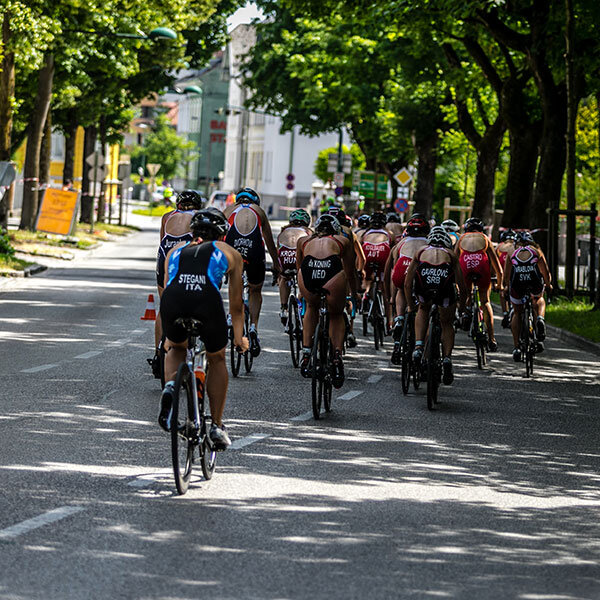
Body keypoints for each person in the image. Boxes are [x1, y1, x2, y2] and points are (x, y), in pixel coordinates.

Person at [158, 209, 249, 449]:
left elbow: (168, 288)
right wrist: (239, 338)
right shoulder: (229, 252)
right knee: (217, 357)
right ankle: (217, 426)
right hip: (206, 302)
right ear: (221, 233)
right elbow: (237, 305)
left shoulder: (174, 251)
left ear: (192, 231)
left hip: (173, 301)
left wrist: (168, 336)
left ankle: (170, 389)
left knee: (176, 348)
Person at [297, 214, 356, 388]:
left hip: (308, 272)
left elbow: (299, 267)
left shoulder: (303, 241)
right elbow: (350, 271)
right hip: (331, 272)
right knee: (336, 314)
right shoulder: (342, 240)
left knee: (311, 307)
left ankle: (306, 353)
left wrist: (302, 293)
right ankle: (337, 357)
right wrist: (353, 294)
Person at [404, 227, 467, 385]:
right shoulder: (451, 254)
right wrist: (462, 306)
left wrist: (411, 305)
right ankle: (446, 358)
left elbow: (407, 282)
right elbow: (461, 284)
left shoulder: (420, 251)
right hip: (444, 286)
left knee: (423, 309)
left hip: (424, 282)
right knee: (446, 323)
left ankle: (418, 347)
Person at [223, 187, 281, 357]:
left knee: (235, 283)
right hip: (255, 250)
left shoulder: (228, 210)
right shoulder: (259, 211)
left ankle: (230, 317)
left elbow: (218, 236)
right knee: (255, 289)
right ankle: (254, 327)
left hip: (232, 248)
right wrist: (276, 265)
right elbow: (269, 241)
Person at [150, 190, 203, 377]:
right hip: (185, 255)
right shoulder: (199, 217)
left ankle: (158, 353)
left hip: (165, 254)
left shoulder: (166, 217)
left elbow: (161, 242)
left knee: (164, 306)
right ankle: (187, 346)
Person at [384, 214, 430, 363]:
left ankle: (399, 317)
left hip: (402, 267)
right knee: (424, 306)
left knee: (401, 290)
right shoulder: (429, 242)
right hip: (421, 271)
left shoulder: (401, 243)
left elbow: (392, 270)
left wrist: (390, 297)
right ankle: (421, 344)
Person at [502, 231, 552, 361]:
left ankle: (517, 347)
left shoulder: (511, 253)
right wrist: (548, 284)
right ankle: (540, 318)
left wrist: (505, 287)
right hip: (533, 281)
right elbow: (545, 271)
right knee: (539, 299)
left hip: (517, 284)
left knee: (517, 313)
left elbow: (506, 276)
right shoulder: (536, 251)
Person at [456, 216, 503, 352]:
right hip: (481, 265)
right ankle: (492, 338)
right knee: (485, 301)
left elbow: (454, 259)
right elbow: (497, 266)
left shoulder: (461, 238)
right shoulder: (484, 238)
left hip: (465, 264)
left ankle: (463, 312)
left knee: (465, 292)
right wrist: (500, 284)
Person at [277, 209, 312, 324]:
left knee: (283, 277)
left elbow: (279, 249)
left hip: (285, 257)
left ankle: (283, 308)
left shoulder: (283, 231)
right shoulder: (309, 231)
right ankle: (302, 302)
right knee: (305, 278)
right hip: (298, 257)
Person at [361, 211, 392, 303]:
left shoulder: (365, 233)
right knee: (384, 285)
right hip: (383, 253)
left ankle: (365, 293)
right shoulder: (389, 233)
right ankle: (388, 314)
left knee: (367, 278)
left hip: (367, 252)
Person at [496, 229, 516, 327]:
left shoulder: (499, 247)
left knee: (502, 291)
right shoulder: (516, 247)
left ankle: (505, 313)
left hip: (504, 273)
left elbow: (493, 264)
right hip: (516, 273)